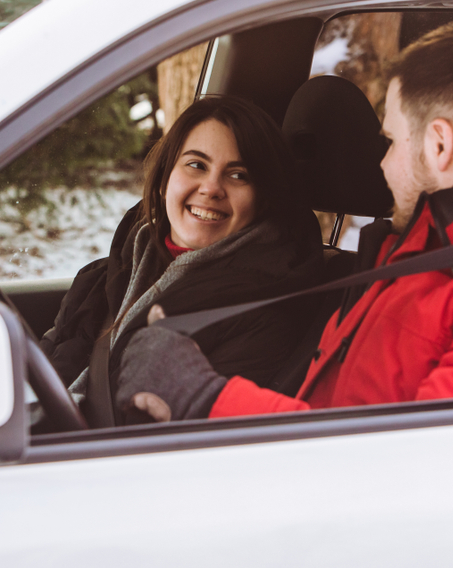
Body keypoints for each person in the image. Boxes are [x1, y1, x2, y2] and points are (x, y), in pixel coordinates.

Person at [115, 19, 453, 422]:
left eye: (391, 142)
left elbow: (420, 469)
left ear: (439, 145)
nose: (380, 165)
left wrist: (205, 397)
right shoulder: (426, 246)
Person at [38, 95, 324, 423]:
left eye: (238, 175)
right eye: (196, 165)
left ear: (262, 200)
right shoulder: (101, 279)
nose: (212, 188)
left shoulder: (263, 316)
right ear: (164, 180)